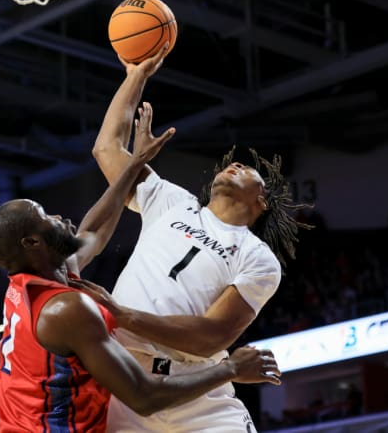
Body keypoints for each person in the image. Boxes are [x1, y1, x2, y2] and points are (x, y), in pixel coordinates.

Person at [0, 102, 282, 433]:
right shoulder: (68, 306)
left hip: (185, 383)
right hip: (129, 387)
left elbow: (92, 231)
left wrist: (136, 84)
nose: (59, 217)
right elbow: (144, 396)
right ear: (32, 244)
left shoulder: (41, 278)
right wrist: (231, 369)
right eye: (46, 218)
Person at [88, 44, 312, 432]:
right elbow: (107, 148)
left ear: (261, 202)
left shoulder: (257, 258)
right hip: (123, 382)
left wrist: (123, 315)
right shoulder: (173, 201)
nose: (235, 164)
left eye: (246, 169)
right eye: (233, 163)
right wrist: (135, 77)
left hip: (198, 392)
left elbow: (210, 337)